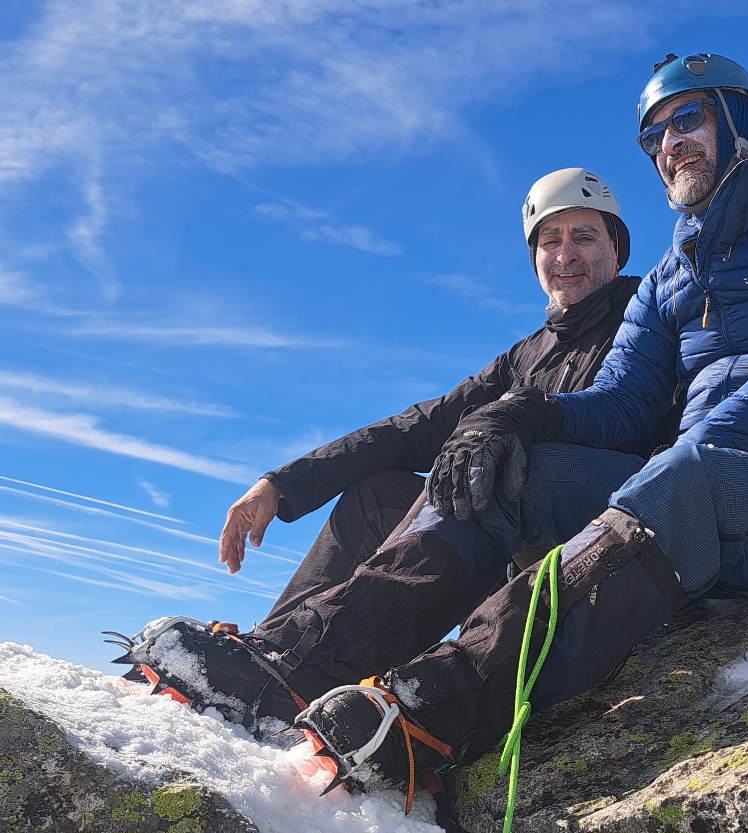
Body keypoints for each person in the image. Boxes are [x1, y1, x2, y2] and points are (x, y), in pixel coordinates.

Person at [122, 52, 748, 814]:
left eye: (688, 121)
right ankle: (293, 667)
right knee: (497, 464)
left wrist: (671, 470)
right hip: (697, 489)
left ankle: (432, 712)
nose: (670, 144)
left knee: (684, 476)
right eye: (656, 134)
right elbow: (624, 403)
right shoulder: (680, 267)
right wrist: (516, 415)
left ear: (739, 119)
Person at [110, 168, 663, 734]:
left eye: (585, 236)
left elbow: (640, 423)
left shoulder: (647, 320)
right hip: (503, 538)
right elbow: (415, 428)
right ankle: (266, 659)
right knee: (379, 492)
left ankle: (298, 672)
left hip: (587, 536)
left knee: (482, 480)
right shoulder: (528, 355)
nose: (566, 254)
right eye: (550, 240)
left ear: (617, 249)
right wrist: (281, 484)